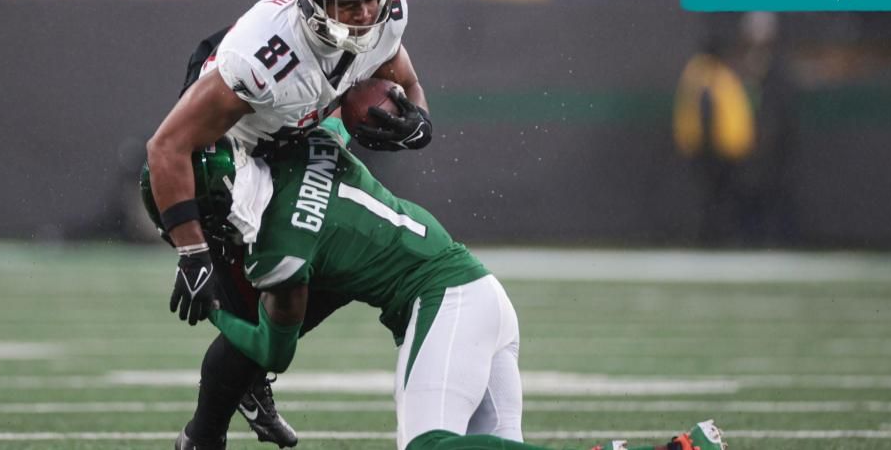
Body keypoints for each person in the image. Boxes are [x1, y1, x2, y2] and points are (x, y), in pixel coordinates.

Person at [186, 119, 727, 450]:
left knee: (428, 447)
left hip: (443, 299)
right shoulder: (308, 144)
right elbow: (338, 118)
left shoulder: (277, 251)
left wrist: (212, 304)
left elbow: (272, 350)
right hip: (480, 292)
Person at [144, 0, 433, 449]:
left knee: (339, 266)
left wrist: (417, 121)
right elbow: (166, 147)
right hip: (234, 149)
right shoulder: (261, 56)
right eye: (348, 4)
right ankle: (209, 428)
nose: (366, 14)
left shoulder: (384, 12)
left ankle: (244, 383)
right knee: (280, 288)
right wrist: (191, 250)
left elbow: (406, 82)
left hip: (303, 133)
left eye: (371, 1)